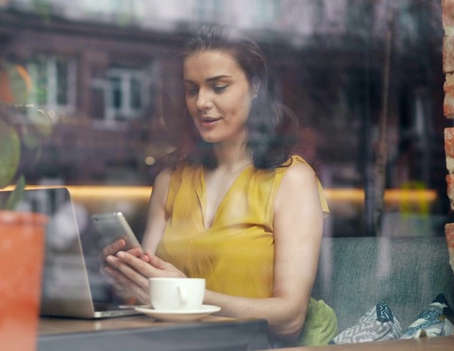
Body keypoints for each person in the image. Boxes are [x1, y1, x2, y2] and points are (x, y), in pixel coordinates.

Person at [102, 27, 336, 346]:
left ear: (255, 86)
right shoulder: (169, 181)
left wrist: (188, 295)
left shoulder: (292, 180)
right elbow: (147, 297)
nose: (201, 102)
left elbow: (289, 319)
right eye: (191, 89)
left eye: (219, 87)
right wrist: (127, 281)